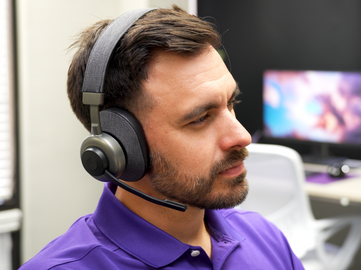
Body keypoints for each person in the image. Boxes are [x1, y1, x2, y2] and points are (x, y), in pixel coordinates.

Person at [19, 5, 304, 269]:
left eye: (231, 103)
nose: (242, 137)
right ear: (123, 145)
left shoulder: (265, 238)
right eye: (200, 118)